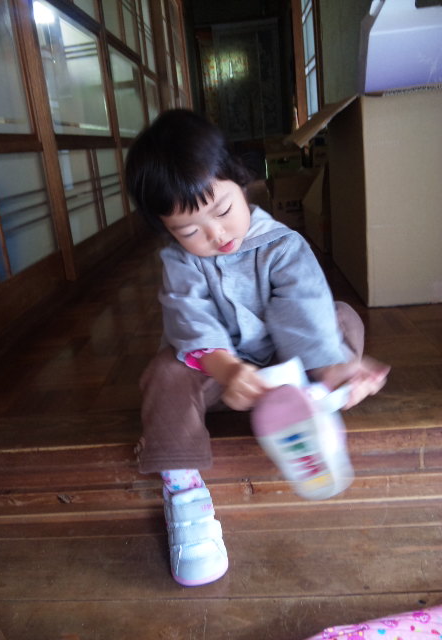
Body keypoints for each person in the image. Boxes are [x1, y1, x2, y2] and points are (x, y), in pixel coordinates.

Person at [125, 108, 390, 588]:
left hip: (289, 365)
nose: (215, 234)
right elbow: (189, 319)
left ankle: (323, 391)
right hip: (219, 371)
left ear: (242, 182)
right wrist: (226, 369)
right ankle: (183, 488)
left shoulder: (282, 245)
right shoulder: (180, 263)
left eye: (223, 211)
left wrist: (328, 363)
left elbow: (302, 308)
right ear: (168, 231)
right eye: (190, 231)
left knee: (340, 316)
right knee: (164, 371)